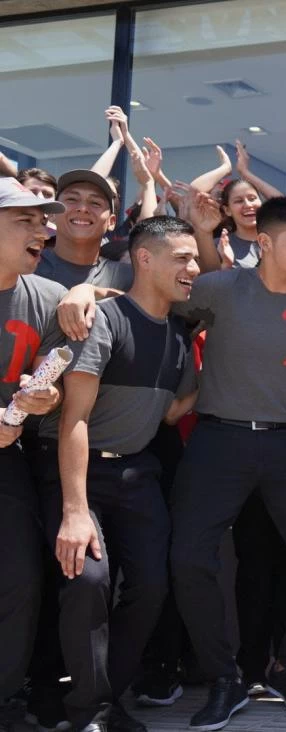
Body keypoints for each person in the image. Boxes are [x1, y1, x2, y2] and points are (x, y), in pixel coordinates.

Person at [169, 197, 286, 731]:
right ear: (262, 243)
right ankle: (225, 677)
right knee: (188, 558)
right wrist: (88, 291)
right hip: (217, 439)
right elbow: (154, 305)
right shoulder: (219, 287)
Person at [34, 216, 199, 732]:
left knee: (151, 585)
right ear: (144, 260)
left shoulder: (177, 334)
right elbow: (74, 420)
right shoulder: (102, 319)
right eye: (182, 258)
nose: (194, 268)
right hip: (74, 472)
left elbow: (172, 414)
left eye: (195, 258)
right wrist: (75, 512)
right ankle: (90, 712)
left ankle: (102, 699)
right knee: (89, 581)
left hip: (137, 474)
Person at [0, 179, 66, 731]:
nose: (42, 231)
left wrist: (46, 397)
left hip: (8, 459)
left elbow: (50, 383)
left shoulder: (46, 297)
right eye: (25, 220)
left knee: (20, 579)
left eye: (44, 222)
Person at [37, 171, 131, 294]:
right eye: (72, 199)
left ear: (111, 221)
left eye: (95, 203)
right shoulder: (24, 266)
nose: (82, 208)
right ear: (53, 214)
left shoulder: (129, 278)